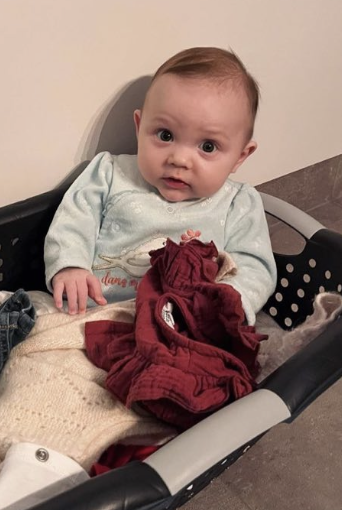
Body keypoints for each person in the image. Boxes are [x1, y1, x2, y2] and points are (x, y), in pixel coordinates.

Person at [44, 47, 277, 325]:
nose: (179, 159)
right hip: (94, 315)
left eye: (207, 146)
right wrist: (71, 266)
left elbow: (254, 267)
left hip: (183, 323)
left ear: (240, 156)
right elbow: (73, 221)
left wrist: (224, 305)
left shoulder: (238, 203)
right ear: (140, 127)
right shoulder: (109, 173)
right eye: (165, 135)